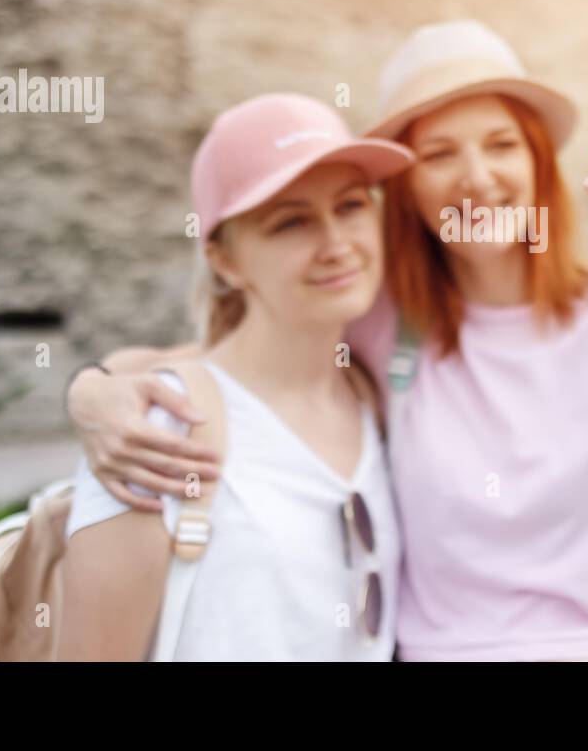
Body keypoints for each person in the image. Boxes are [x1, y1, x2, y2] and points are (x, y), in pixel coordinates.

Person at [66, 22, 588, 660]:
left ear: (537, 164)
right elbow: (220, 363)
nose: (477, 178)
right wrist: (97, 389)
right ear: (408, 189)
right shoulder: (381, 321)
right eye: (441, 153)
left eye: (501, 144)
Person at [58, 93, 414, 660]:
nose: (336, 244)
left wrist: (91, 381)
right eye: (291, 222)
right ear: (225, 260)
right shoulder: (161, 426)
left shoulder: (369, 396)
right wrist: (93, 387)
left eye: (350, 206)